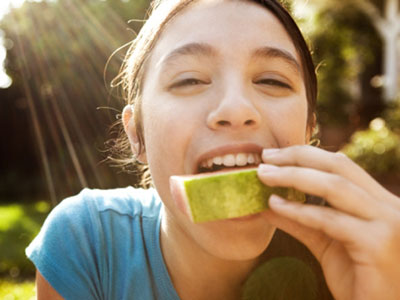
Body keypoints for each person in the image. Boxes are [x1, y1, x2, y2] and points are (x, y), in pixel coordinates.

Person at [26, 0, 400, 299]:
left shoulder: (362, 261)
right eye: (189, 79)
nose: (236, 109)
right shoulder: (89, 242)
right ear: (136, 134)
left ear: (307, 130)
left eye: (271, 80)